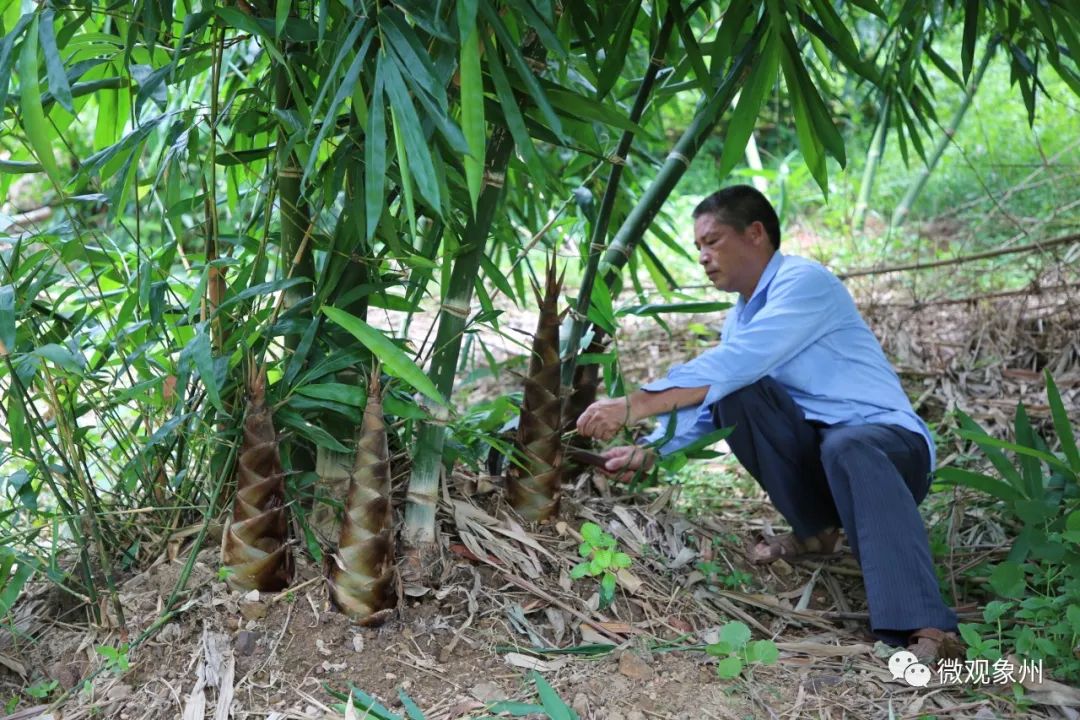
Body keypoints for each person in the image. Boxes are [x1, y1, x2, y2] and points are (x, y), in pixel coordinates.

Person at [575, 185, 960, 661]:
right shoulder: (739, 320)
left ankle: (925, 623)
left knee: (846, 445)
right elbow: (721, 390)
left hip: (890, 451)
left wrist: (634, 404)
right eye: (698, 247)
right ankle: (817, 530)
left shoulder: (804, 283)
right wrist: (655, 449)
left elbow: (738, 362)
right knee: (740, 398)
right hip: (828, 460)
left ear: (755, 233)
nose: (703, 257)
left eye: (712, 241)